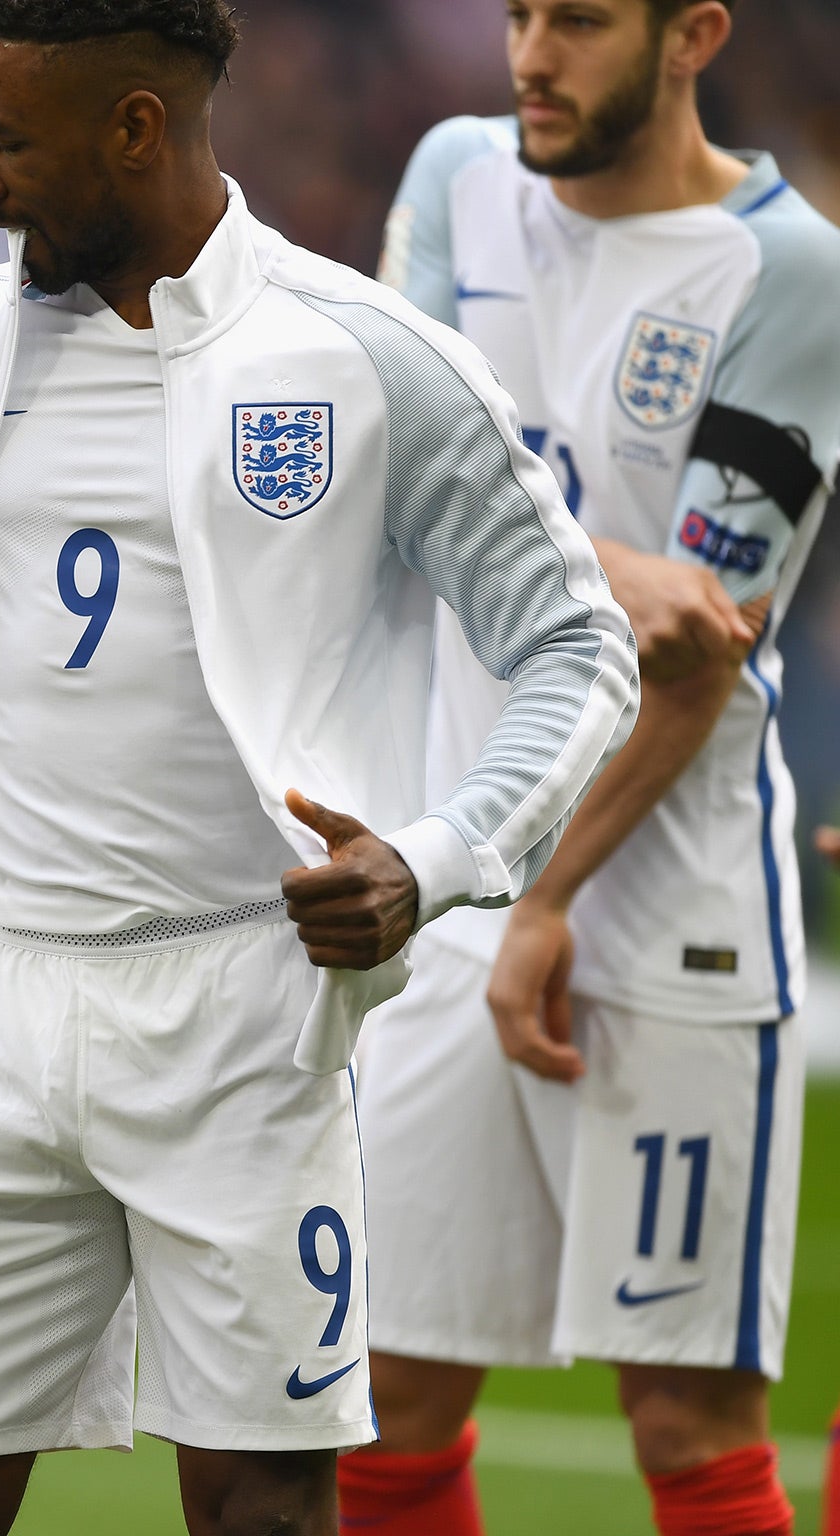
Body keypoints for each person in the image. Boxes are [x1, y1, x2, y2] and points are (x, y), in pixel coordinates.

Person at [0, 0, 640, 1530]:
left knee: (262, 1515)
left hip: (244, 1025)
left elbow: (580, 648)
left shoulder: (365, 359)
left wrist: (435, 858)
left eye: (3, 140)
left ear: (136, 126)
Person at [344, 2, 840, 1533]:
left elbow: (701, 655)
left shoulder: (795, 271)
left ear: (692, 33)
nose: (529, 53)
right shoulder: (452, 175)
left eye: (579, 18)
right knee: (387, 1400)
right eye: (516, 12)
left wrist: (551, 901)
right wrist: (611, 563)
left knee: (687, 1420)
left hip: (667, 903)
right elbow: (375, 465)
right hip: (451, 878)